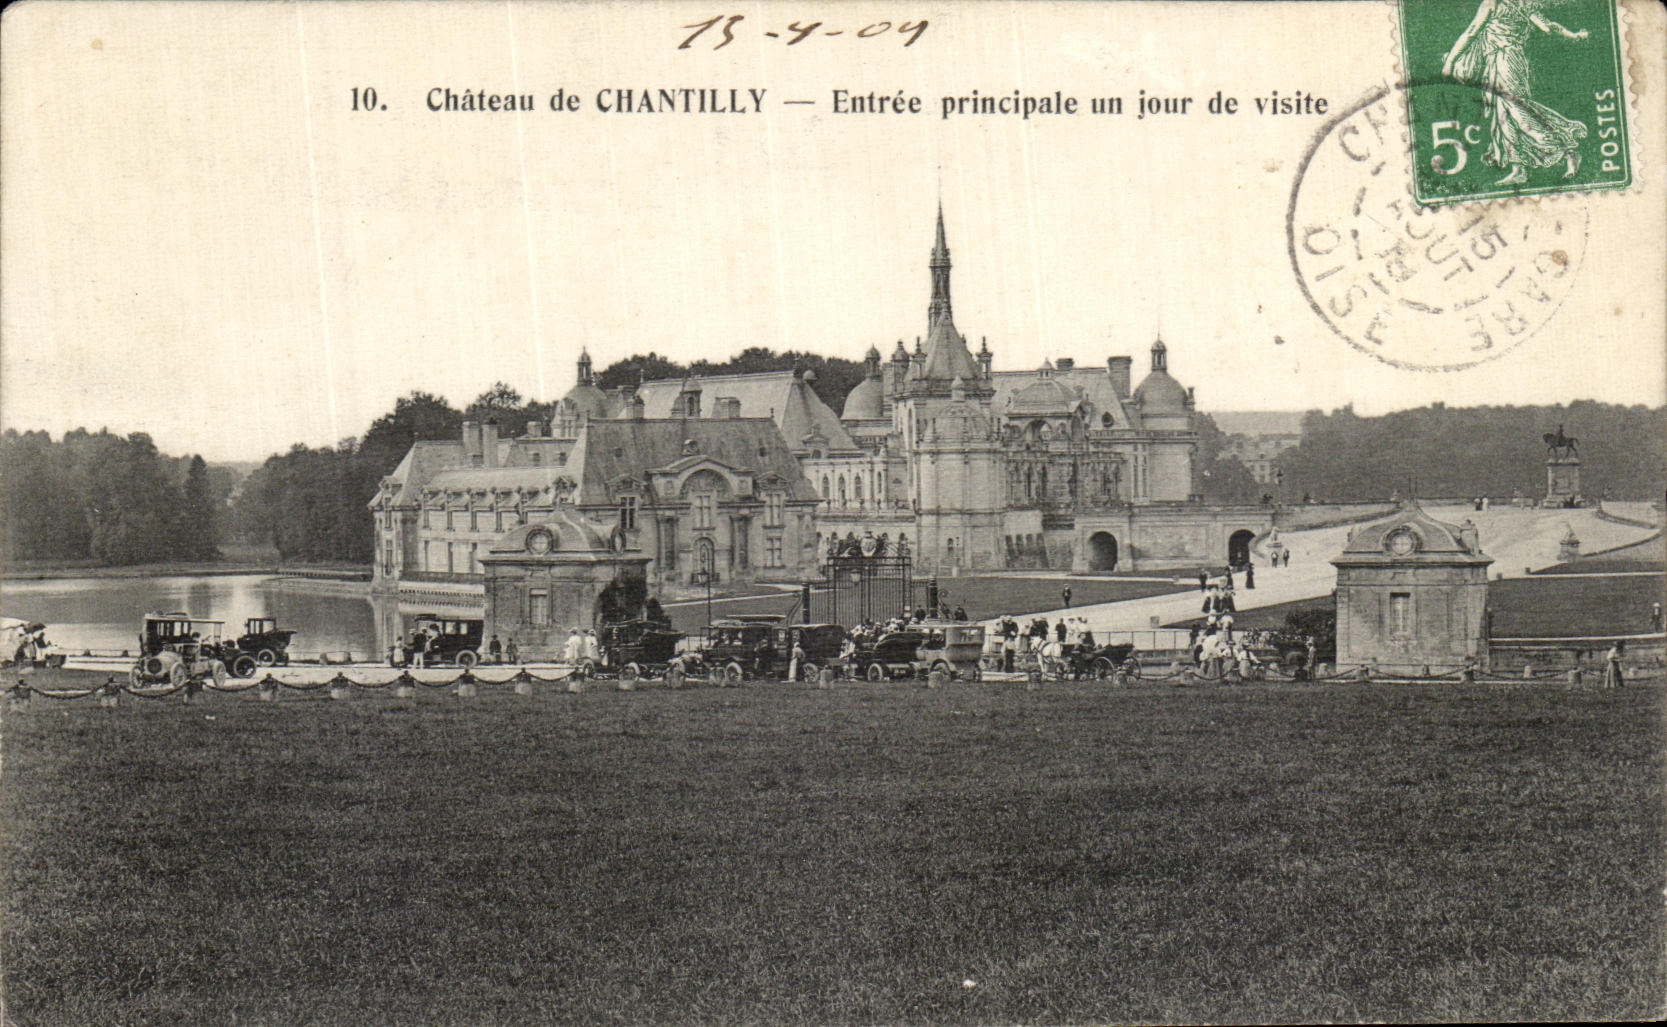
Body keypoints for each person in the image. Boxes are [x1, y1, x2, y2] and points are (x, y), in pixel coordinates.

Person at [1443, 0, 1591, 186]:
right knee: (1504, 114)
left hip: (1504, 62)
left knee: (1518, 112)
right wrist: (1574, 35)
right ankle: (1519, 169)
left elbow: (1472, 31)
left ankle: (1567, 151)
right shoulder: (1523, 6)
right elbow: (1548, 28)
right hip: (1507, 62)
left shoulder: (1492, 3)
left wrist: (1450, 62)